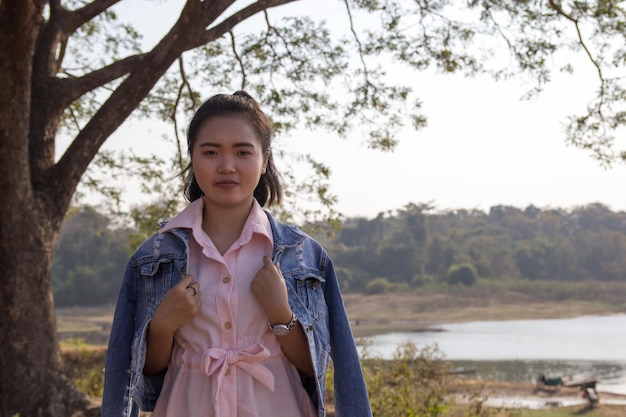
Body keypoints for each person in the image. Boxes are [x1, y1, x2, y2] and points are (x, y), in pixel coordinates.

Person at [101, 91, 372, 417]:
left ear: (264, 160)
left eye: (242, 152)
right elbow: (142, 372)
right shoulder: (153, 257)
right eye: (211, 152)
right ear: (193, 158)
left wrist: (279, 313)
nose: (226, 166)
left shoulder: (303, 256)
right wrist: (162, 327)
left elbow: (317, 365)